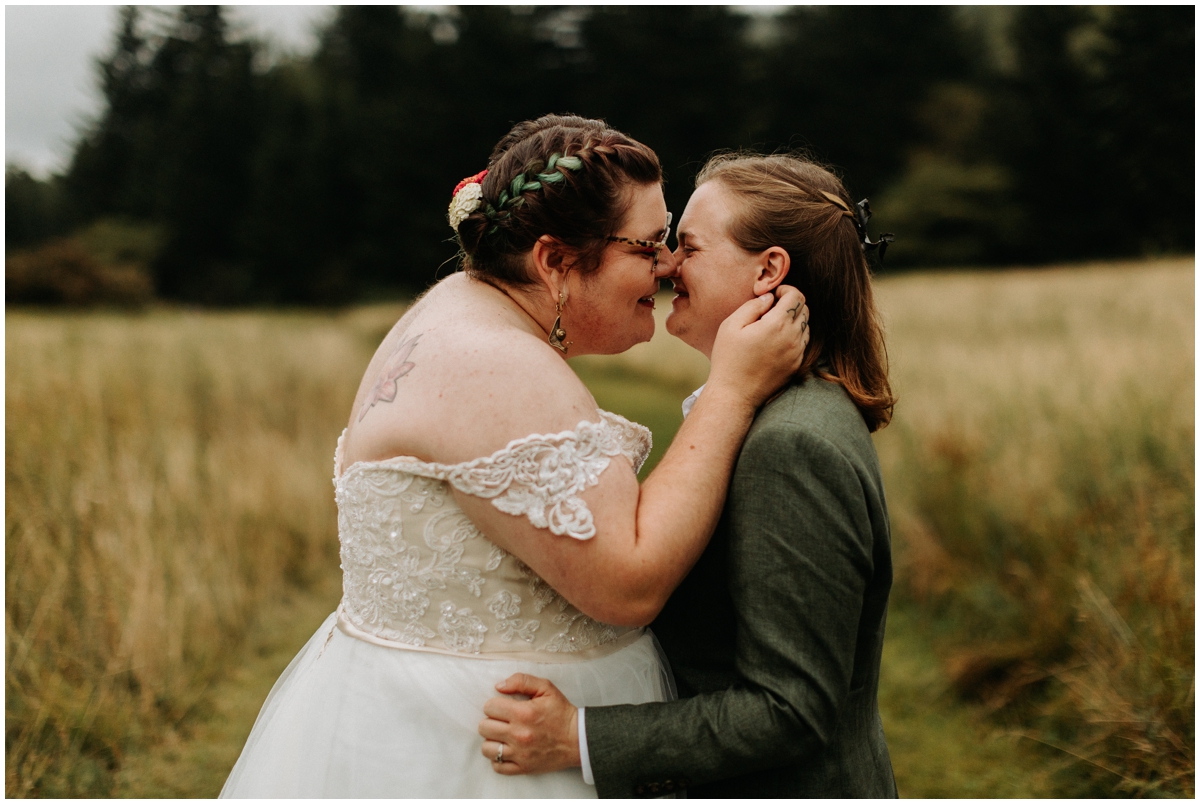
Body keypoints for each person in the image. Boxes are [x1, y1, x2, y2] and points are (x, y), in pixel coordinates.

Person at [220, 118, 810, 797]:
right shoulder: (493, 365)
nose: (668, 266)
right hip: (478, 754)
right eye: (648, 247)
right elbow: (629, 585)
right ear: (555, 261)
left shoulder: (457, 308)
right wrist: (733, 391)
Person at [477, 152, 899, 797]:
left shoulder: (792, 444)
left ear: (769, 271)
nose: (667, 264)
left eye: (690, 247)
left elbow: (792, 709)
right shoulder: (775, 412)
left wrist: (579, 737)